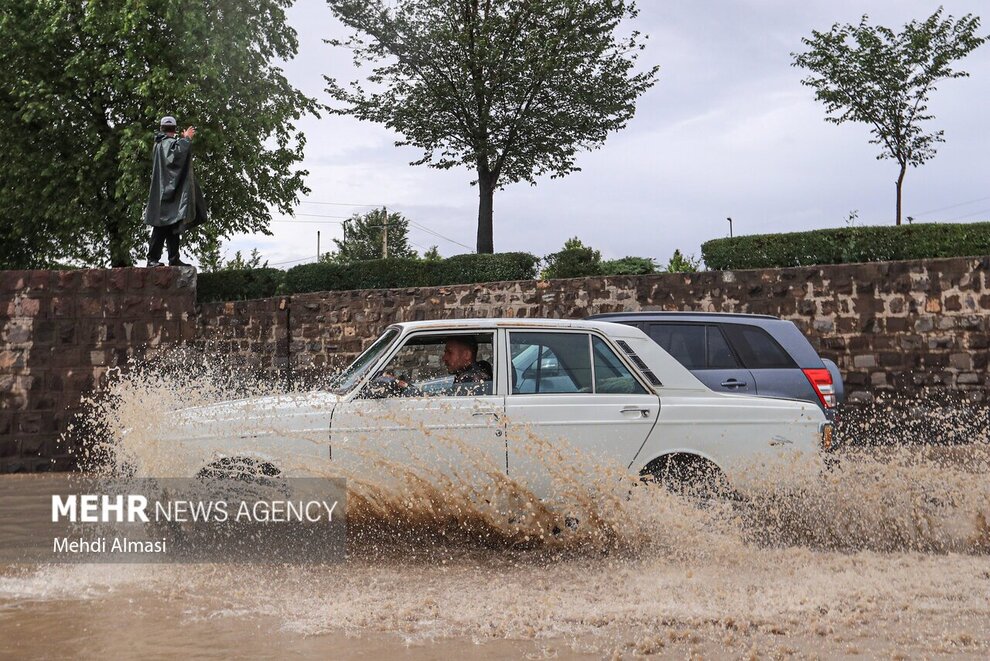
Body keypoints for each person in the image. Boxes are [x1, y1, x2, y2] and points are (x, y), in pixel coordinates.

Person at [144, 115, 208, 267]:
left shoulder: (159, 144)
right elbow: (176, 156)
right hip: (167, 192)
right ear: (174, 129)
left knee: (172, 225)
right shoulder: (166, 144)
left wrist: (181, 140)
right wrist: (186, 139)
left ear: (162, 128)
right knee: (161, 227)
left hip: (166, 191)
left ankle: (173, 258)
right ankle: (153, 259)